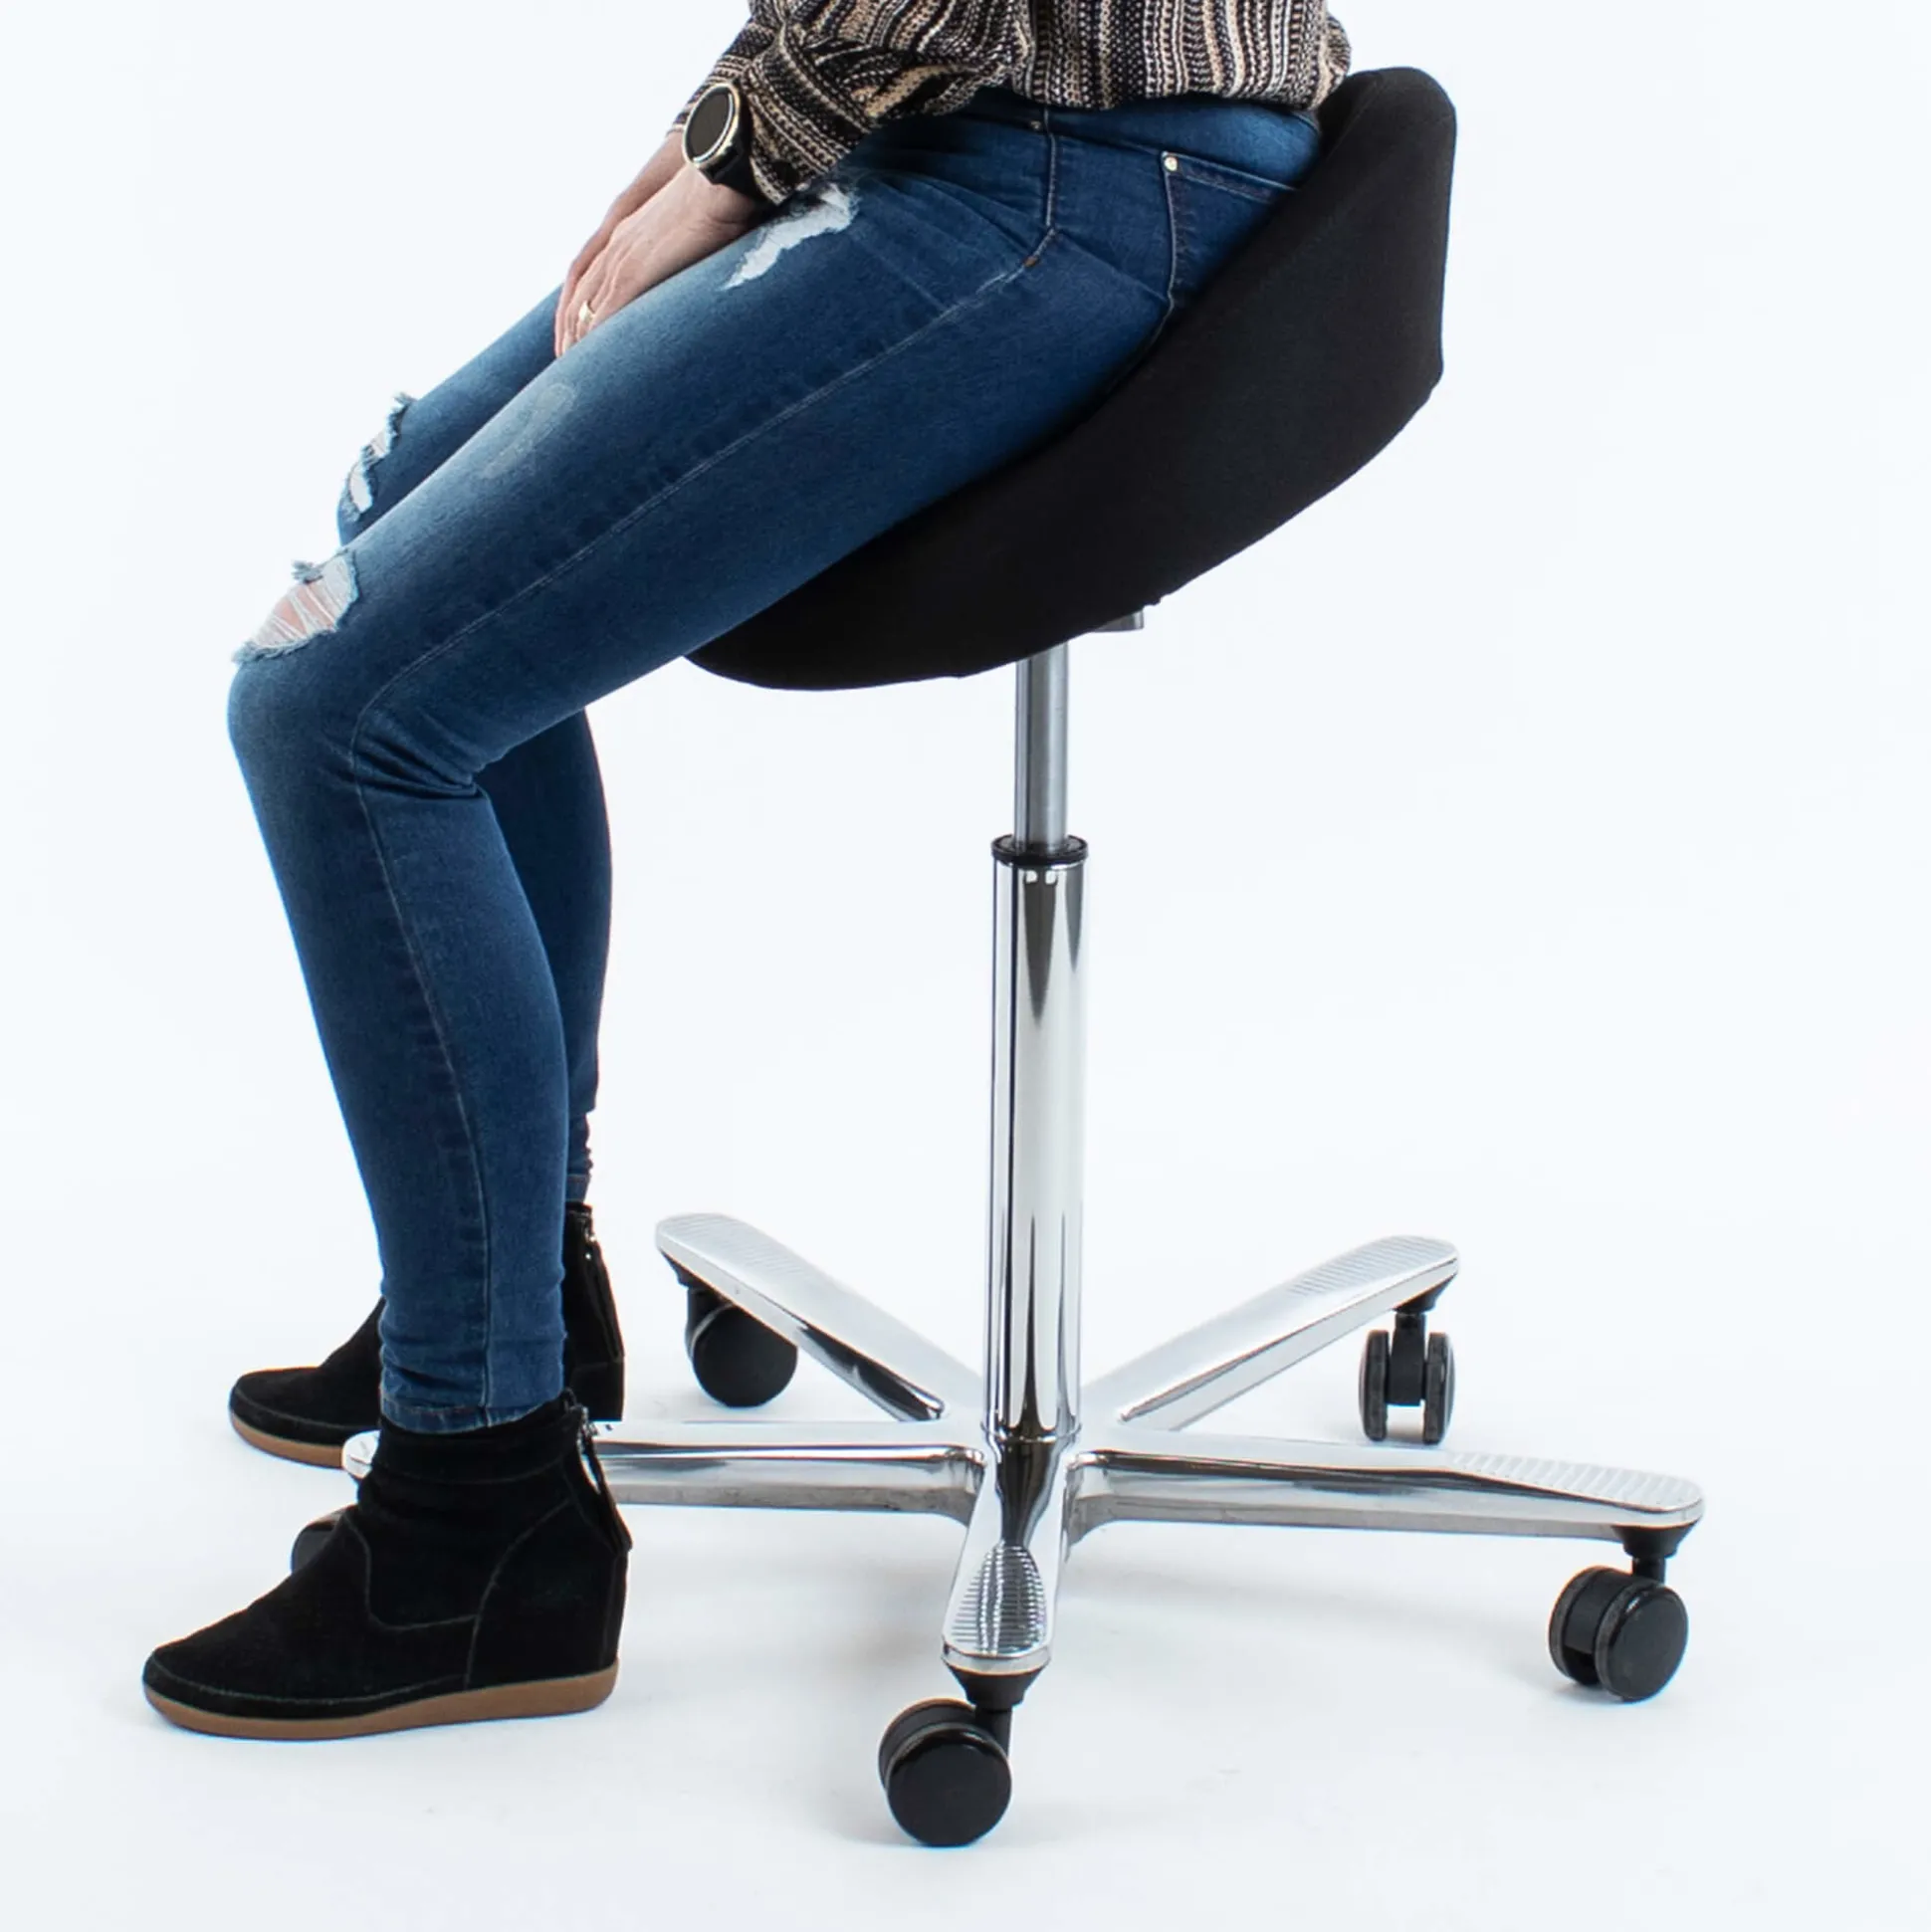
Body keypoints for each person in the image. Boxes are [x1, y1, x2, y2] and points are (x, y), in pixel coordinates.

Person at [143, 0, 1353, 1741]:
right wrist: (716, 135)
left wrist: (741, 159)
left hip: (1078, 170)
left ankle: (484, 1512)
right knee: (406, 511)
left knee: (336, 708)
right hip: (976, 127)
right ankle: (511, 1301)